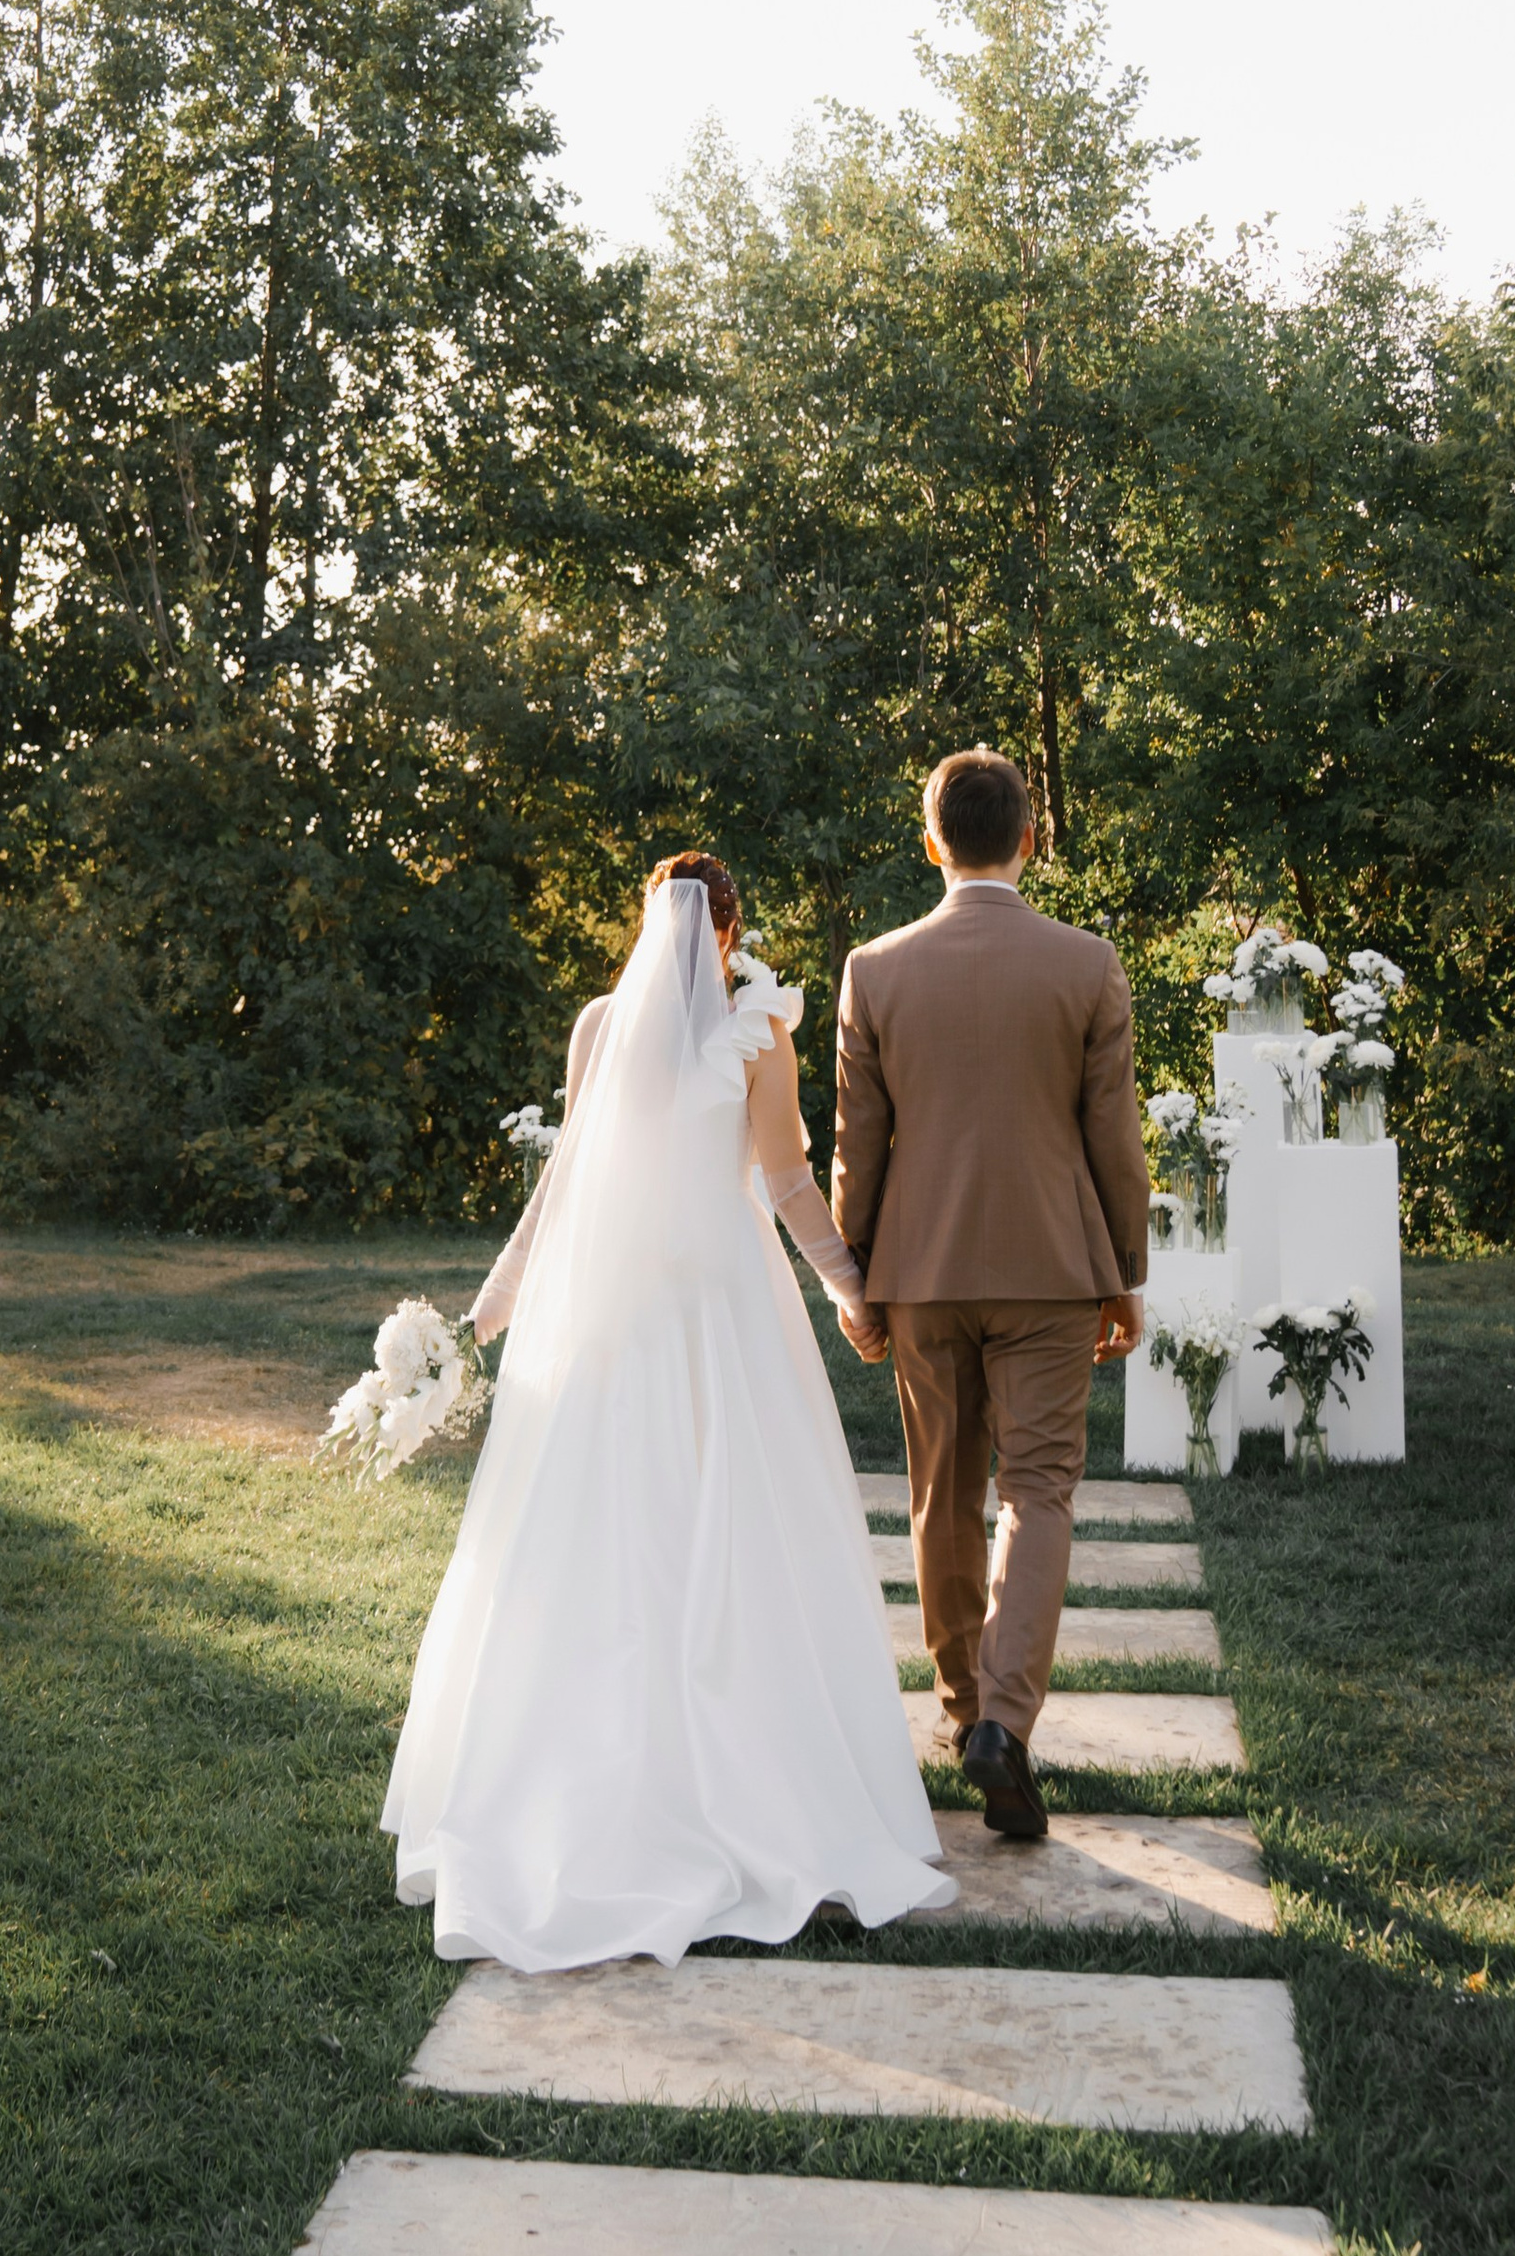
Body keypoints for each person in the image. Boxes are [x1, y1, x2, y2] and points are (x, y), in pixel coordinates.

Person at [381, 852, 956, 1969]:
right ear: (730, 931)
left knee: (601, 1538)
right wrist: (853, 1290)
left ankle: (584, 1792)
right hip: (723, 1314)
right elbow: (788, 1185)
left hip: (610, 1319)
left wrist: (489, 1312)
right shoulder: (758, 1030)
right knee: (742, 1534)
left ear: (650, 923)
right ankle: (756, 1792)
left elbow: (559, 1190)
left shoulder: (601, 1026)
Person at [830, 749, 1149, 1843]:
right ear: (1029, 840)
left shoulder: (873, 970)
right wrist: (1125, 1272)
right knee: (1039, 1491)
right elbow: (1113, 1137)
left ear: (931, 842)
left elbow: (857, 1144)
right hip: (1052, 1269)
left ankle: (963, 1704)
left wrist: (855, 1274)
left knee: (942, 1491)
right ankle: (1006, 1723)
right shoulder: (1087, 964)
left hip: (920, 1273)